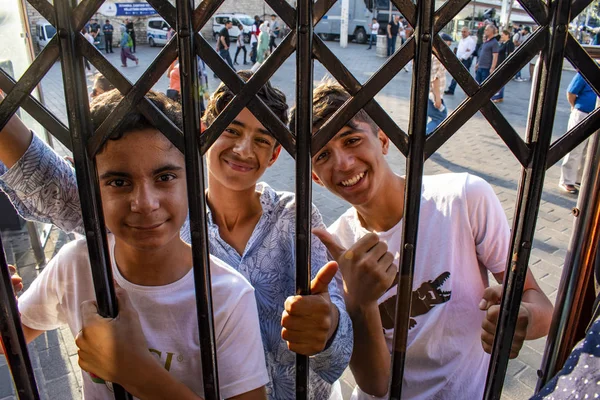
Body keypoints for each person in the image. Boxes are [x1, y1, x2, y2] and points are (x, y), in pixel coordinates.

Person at [0, 72, 353, 400]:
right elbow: (59, 187)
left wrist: (329, 326)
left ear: (276, 154)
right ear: (205, 133)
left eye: (262, 139)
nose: (244, 150)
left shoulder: (294, 218)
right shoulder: (163, 220)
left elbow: (337, 333)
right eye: (231, 130)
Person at [302, 80, 554, 400]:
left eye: (351, 140)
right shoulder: (336, 247)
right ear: (314, 177)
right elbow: (375, 384)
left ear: (382, 140)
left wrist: (523, 319)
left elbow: (539, 302)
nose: (343, 163)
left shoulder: (464, 198)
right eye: (323, 155)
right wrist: (359, 301)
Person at [559, 72, 598, 194]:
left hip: (597, 116)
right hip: (582, 113)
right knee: (575, 148)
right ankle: (567, 180)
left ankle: (579, 179)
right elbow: (571, 92)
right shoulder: (587, 69)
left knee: (590, 151)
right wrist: (574, 107)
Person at [426, 34, 452, 135]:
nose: (447, 49)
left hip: (430, 93)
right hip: (432, 94)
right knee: (440, 117)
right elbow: (435, 79)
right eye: (447, 45)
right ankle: (424, 139)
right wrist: (438, 98)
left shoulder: (432, 55)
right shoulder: (437, 57)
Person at [445, 26, 476, 95]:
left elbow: (469, 51)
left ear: (468, 32)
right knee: (457, 75)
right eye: (462, 32)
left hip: (465, 60)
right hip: (459, 59)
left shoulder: (470, 41)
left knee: (465, 76)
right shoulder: (462, 40)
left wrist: (462, 58)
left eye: (464, 32)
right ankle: (451, 89)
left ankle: (470, 90)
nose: (463, 33)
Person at [491, 29, 515, 103]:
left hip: (503, 64)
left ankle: (499, 96)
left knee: (500, 81)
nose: (501, 36)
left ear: (507, 35)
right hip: (499, 64)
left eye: (503, 35)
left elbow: (510, 54)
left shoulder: (509, 43)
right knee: (498, 80)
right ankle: (499, 96)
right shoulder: (502, 43)